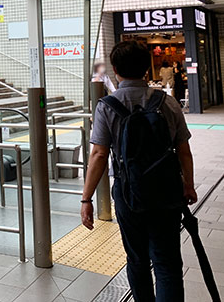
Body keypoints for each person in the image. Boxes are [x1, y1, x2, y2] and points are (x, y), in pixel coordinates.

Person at [81, 40, 196, 302]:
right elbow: (184, 150)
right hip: (167, 191)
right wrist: (188, 185)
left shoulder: (107, 106)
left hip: (127, 192)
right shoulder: (166, 103)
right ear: (146, 69)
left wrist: (86, 199)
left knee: (137, 260)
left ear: (114, 69)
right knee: (167, 264)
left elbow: (98, 154)